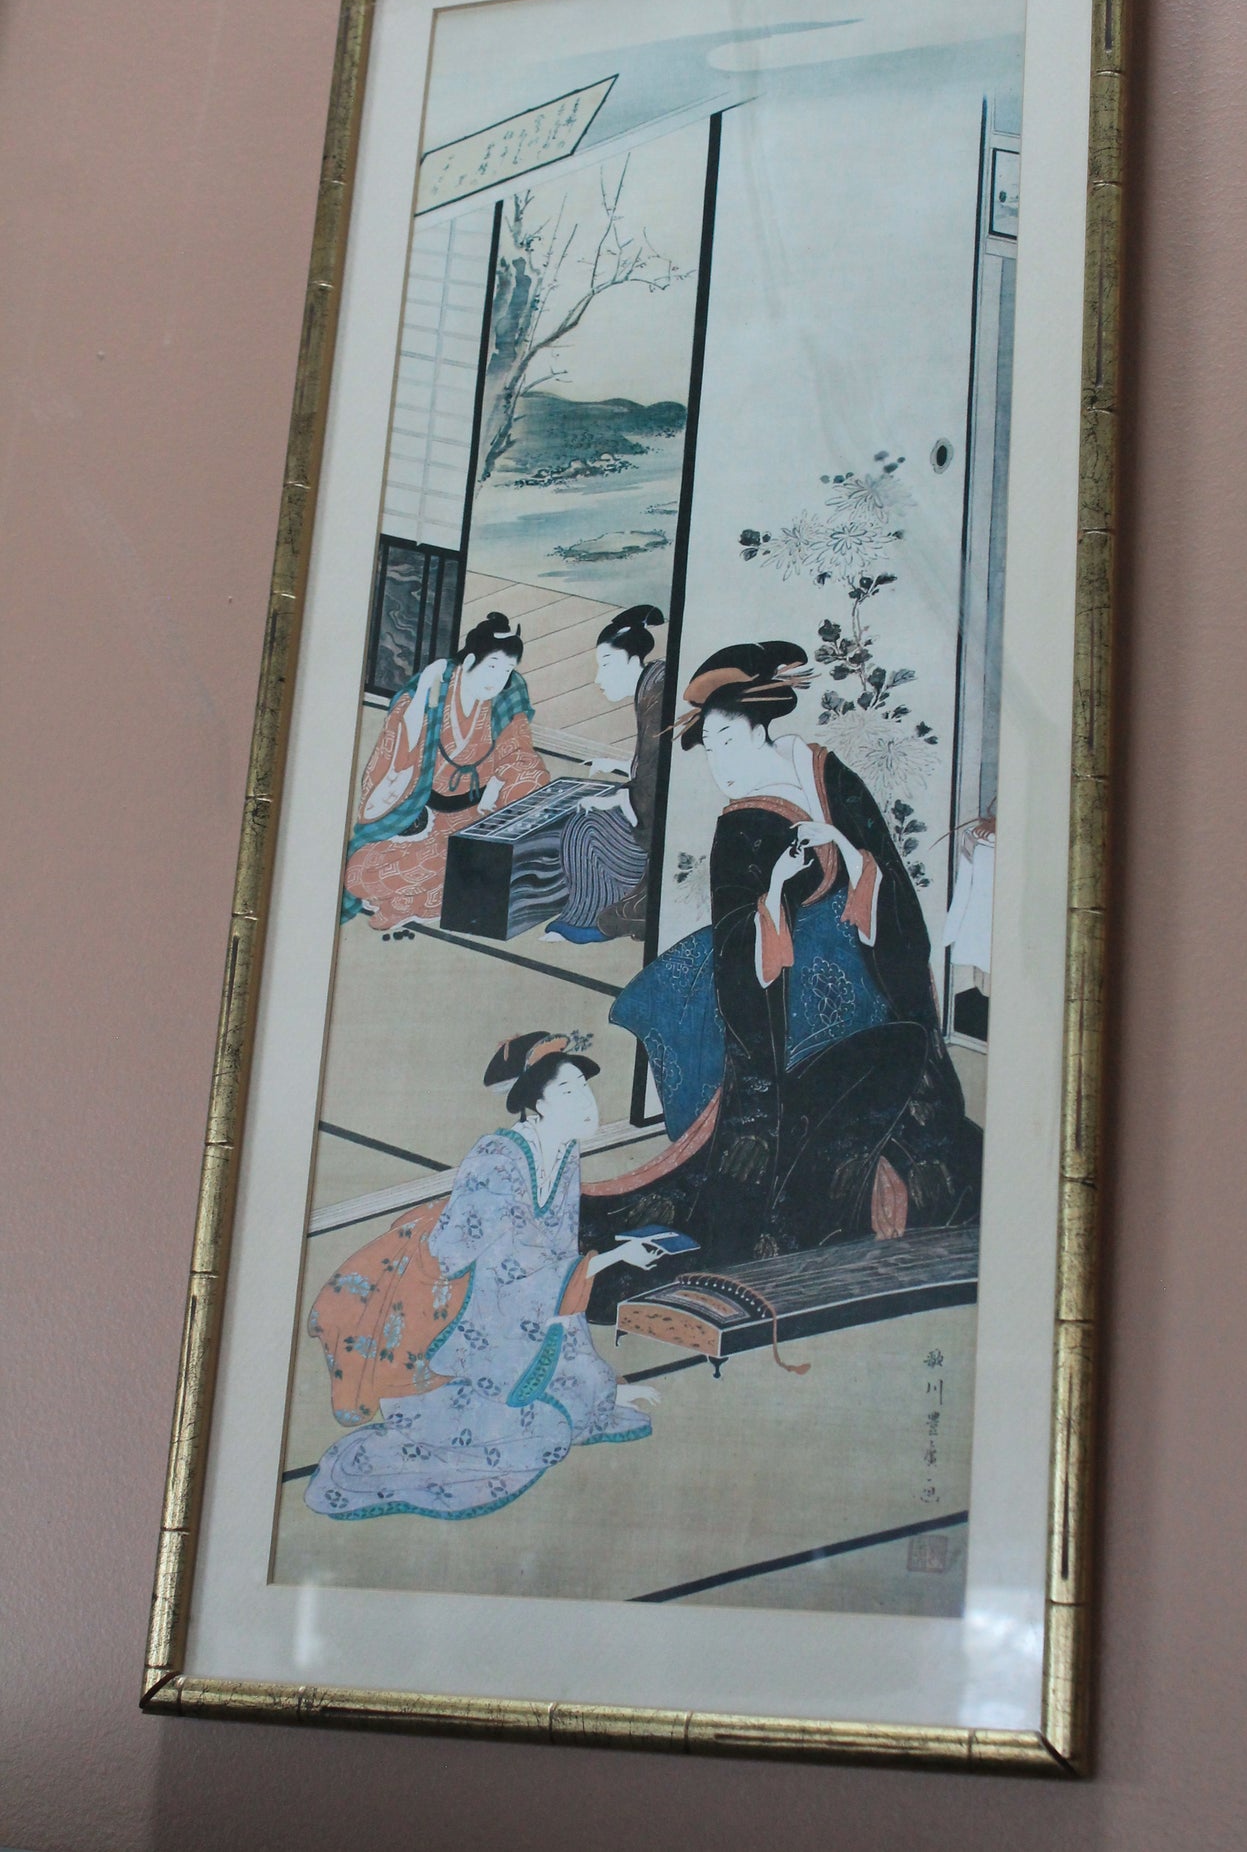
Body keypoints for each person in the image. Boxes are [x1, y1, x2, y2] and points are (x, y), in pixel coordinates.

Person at [580, 640, 982, 1296]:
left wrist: (846, 852)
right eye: (708, 749)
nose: (718, 763)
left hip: (867, 977)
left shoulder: (826, 773)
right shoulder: (740, 826)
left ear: (757, 727)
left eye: (725, 741)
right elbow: (739, 943)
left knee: (921, 1111)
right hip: (783, 1003)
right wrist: (773, 893)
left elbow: (888, 878)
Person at [305, 1033, 665, 1522]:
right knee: (542, 1438)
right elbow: (500, 1274)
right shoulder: (498, 1162)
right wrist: (611, 1259)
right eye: (569, 1091)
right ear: (537, 1105)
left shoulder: (563, 1155)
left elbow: (554, 1266)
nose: (587, 1102)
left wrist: (598, 1384)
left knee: (586, 1397)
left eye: (585, 1088)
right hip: (452, 1324)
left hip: (514, 1319)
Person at [342, 611, 548, 935]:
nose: (498, 679)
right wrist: (425, 687)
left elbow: (520, 756)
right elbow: (398, 751)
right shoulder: (435, 689)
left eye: (507, 670)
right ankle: (424, 896)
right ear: (470, 661)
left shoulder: (505, 699)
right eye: (492, 666)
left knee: (482, 852)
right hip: (422, 817)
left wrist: (502, 787)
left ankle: (408, 900)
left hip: (475, 817)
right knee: (357, 875)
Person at [545, 604, 666, 945]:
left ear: (633, 660)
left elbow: (655, 781)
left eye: (607, 664)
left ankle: (590, 923)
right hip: (651, 806)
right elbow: (652, 764)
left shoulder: (657, 693)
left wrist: (614, 799)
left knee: (584, 828)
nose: (599, 678)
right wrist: (619, 768)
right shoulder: (653, 684)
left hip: (661, 826)